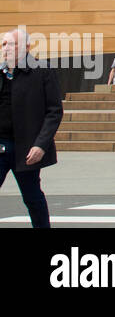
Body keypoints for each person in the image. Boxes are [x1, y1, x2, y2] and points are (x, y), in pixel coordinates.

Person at [0, 28, 62, 227]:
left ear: (26, 47)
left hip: (27, 147)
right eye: (3, 44)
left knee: (33, 197)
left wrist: (41, 145)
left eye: (11, 44)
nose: (6, 48)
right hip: (1, 144)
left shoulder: (42, 70)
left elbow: (54, 111)